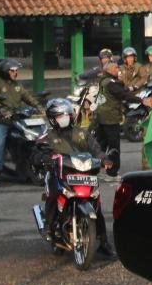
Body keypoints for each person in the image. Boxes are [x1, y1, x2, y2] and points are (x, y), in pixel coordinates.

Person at [42, 97, 114, 255]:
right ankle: (50, 226)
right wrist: (43, 158)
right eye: (60, 115)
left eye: (66, 114)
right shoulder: (48, 136)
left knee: (96, 204)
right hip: (60, 174)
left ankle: (103, 241)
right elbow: (39, 151)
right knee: (53, 195)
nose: (64, 117)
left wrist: (104, 159)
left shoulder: (82, 133)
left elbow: (96, 150)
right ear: (53, 119)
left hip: (83, 174)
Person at [94, 61, 152, 178]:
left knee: (100, 144)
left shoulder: (104, 81)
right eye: (115, 68)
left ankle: (94, 168)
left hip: (101, 116)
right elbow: (123, 94)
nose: (118, 70)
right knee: (114, 145)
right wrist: (141, 100)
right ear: (109, 70)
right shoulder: (111, 83)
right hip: (110, 118)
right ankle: (112, 172)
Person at [0, 59, 42, 186]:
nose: (15, 73)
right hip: (0, 120)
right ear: (5, 72)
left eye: (16, 71)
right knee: (0, 142)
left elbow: (27, 97)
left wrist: (39, 107)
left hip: (17, 118)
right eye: (12, 70)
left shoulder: (17, 85)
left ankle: (26, 168)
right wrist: (0, 108)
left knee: (30, 137)